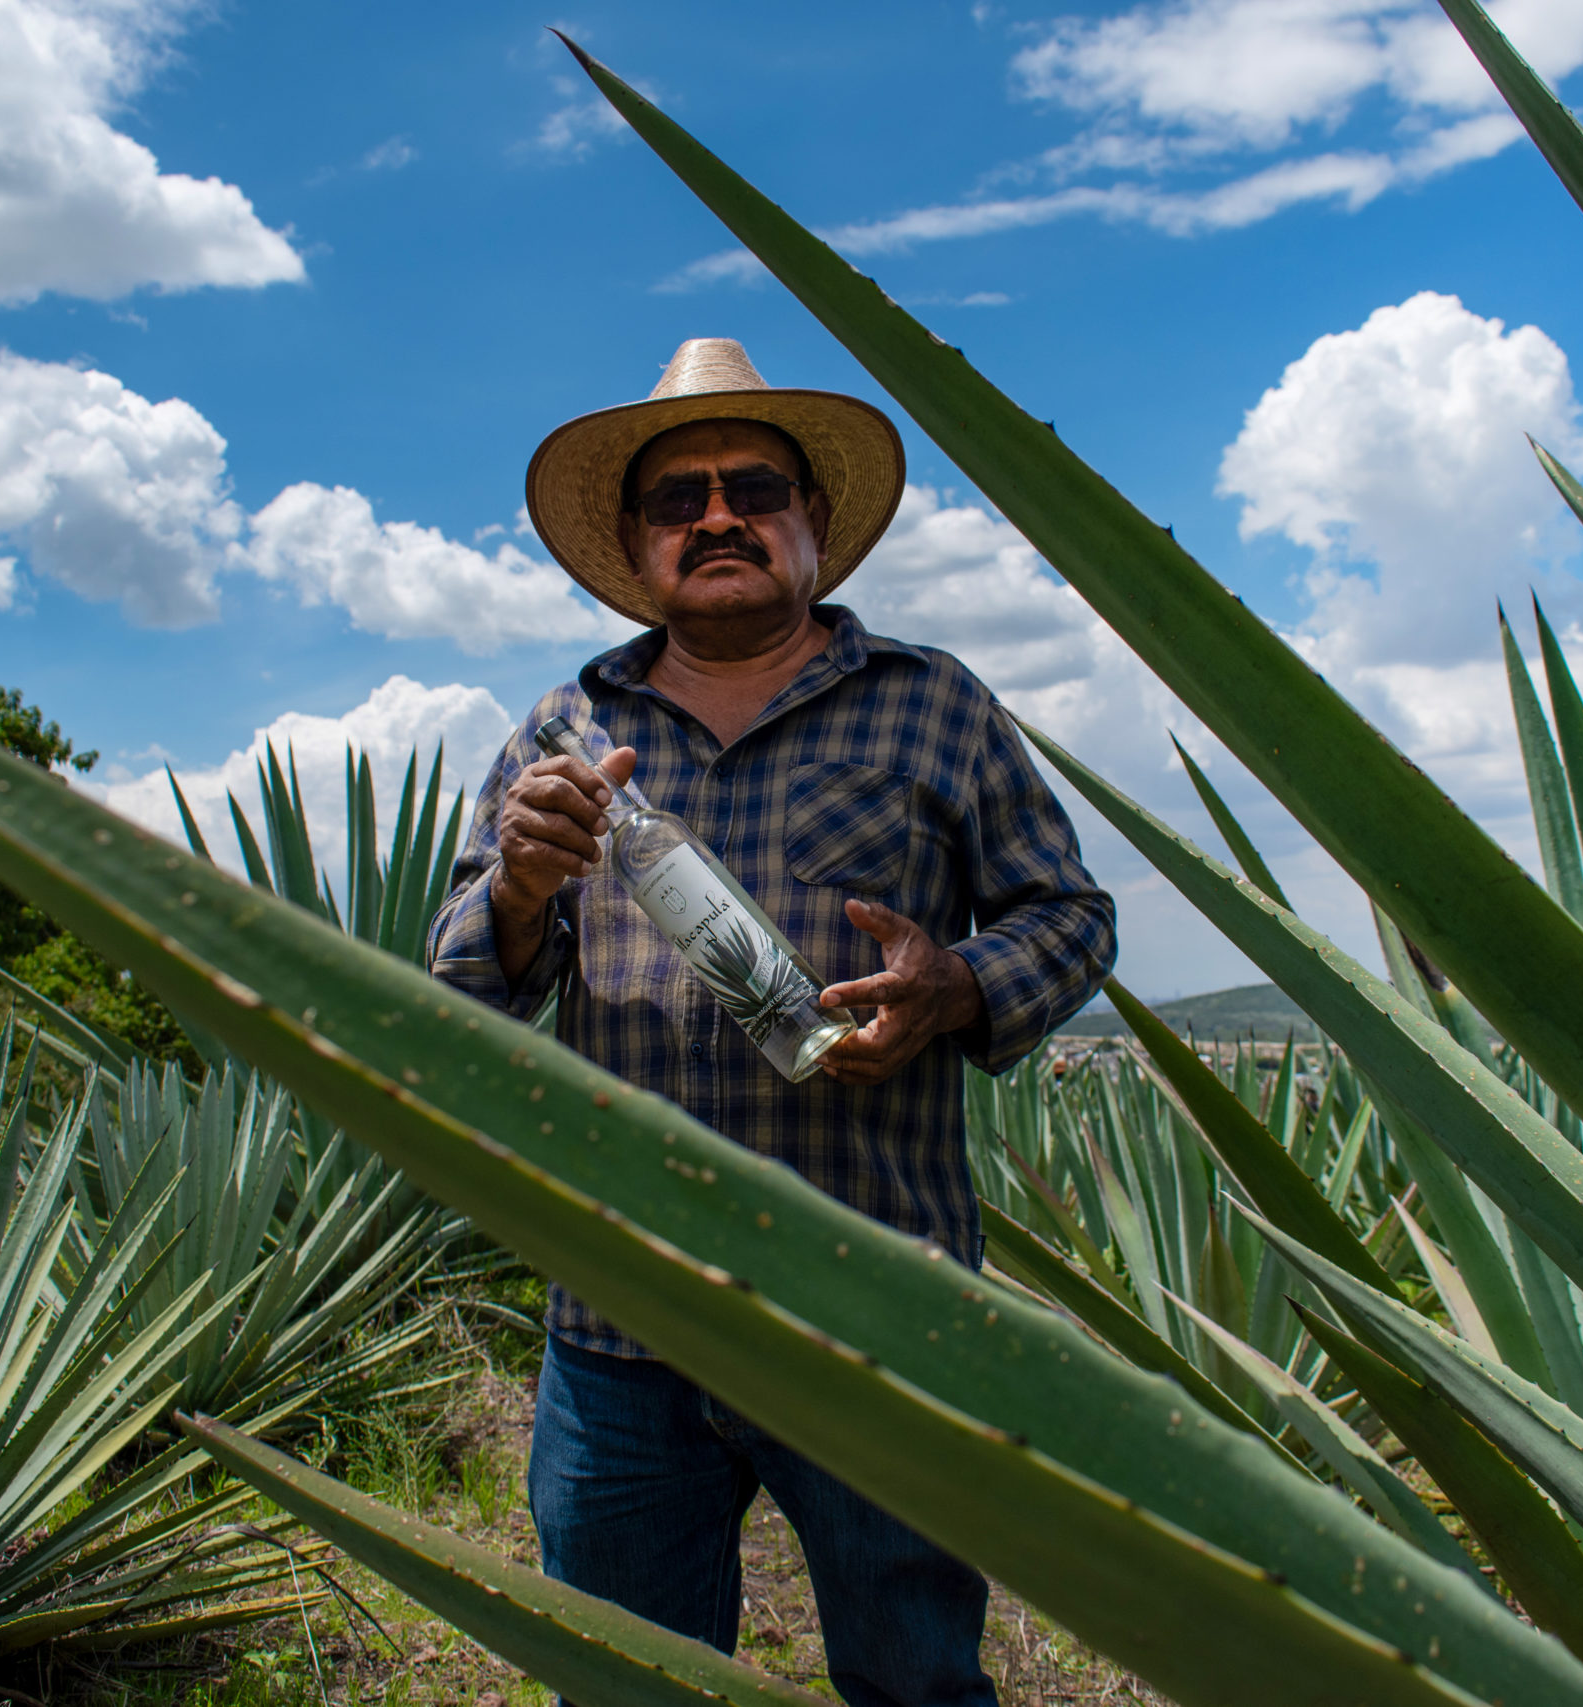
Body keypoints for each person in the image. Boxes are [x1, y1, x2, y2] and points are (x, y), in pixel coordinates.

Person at [426, 338, 1115, 1707]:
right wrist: (516, 885)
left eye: (754, 486)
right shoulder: (563, 728)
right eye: (679, 499)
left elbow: (1072, 917)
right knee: (627, 1683)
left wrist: (956, 987)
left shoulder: (935, 705)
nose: (718, 515)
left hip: (877, 1311)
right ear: (636, 545)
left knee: (917, 1683)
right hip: (625, 1317)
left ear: (813, 528)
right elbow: (462, 993)